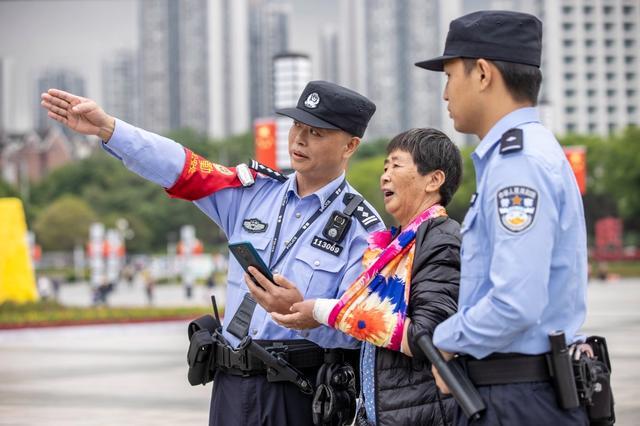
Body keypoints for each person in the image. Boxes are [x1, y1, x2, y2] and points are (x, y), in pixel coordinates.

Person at [40, 80, 384, 426]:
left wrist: (305, 316)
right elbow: (182, 167)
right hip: (230, 387)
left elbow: (365, 332)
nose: (299, 139)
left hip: (298, 393)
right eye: (296, 125)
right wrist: (109, 128)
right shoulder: (252, 192)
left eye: (317, 132)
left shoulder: (365, 232)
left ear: (350, 146)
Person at [415, 10, 589, 425]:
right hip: (519, 392)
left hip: (517, 398)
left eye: (449, 76)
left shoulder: (518, 163)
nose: (445, 95)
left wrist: (444, 340)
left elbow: (515, 303)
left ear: (482, 74)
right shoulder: (526, 152)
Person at [266, 128, 463, 426]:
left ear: (434, 180)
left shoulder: (441, 239)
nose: (384, 176)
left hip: (420, 414)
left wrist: (322, 311)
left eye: (396, 165)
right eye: (384, 167)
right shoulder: (398, 242)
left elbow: (430, 339)